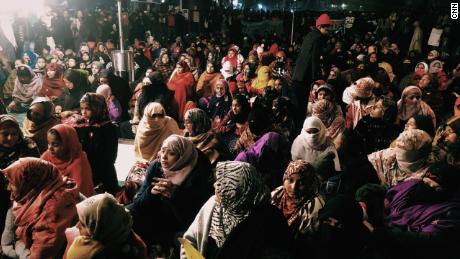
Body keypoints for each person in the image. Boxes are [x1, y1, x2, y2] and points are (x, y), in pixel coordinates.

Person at [181, 161, 292, 259]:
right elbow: (189, 241)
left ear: (237, 191)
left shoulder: (268, 219)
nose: (215, 185)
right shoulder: (213, 205)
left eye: (222, 184)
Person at [127, 135, 213, 256]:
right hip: (154, 215)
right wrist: (151, 192)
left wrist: (175, 196)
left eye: (171, 153)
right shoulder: (157, 166)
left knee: (187, 242)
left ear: (182, 157)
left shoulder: (197, 175)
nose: (163, 157)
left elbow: (193, 219)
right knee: (127, 213)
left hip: (178, 225)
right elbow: (138, 202)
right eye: (163, 150)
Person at [373, 163, 460, 258]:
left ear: (447, 192)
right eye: (426, 183)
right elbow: (389, 190)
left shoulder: (450, 212)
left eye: (436, 188)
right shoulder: (412, 185)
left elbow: (428, 239)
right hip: (383, 227)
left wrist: (388, 235)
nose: (428, 188)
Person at [1, 158, 79, 259]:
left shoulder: (52, 211)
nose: (8, 188)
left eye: (12, 183)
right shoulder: (41, 188)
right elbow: (7, 238)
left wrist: (18, 247)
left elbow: (38, 256)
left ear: (30, 183)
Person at [64, 193, 147, 259]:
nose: (77, 226)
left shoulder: (85, 253)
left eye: (83, 224)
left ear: (100, 230)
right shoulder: (129, 239)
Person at [66, 93, 119, 194]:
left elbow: (110, 156)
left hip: (103, 173)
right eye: (82, 108)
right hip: (85, 170)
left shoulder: (108, 128)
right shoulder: (81, 126)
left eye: (88, 109)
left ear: (97, 108)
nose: (83, 112)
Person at [271, 160, 325, 257]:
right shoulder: (277, 193)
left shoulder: (314, 206)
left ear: (309, 183)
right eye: (290, 180)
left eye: (302, 183)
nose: (294, 187)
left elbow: (306, 243)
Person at [292, 13, 332, 131]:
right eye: (326, 27)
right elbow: (314, 58)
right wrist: (315, 78)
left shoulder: (310, 35)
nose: (328, 30)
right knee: (301, 107)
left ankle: (296, 130)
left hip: (298, 75)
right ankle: (300, 131)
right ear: (320, 27)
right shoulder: (319, 38)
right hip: (305, 77)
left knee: (297, 106)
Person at [41, 123, 95, 197]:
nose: (50, 148)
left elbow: (80, 195)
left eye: (55, 145)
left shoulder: (78, 164)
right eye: (49, 143)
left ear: (68, 144)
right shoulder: (47, 156)